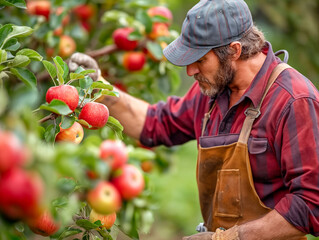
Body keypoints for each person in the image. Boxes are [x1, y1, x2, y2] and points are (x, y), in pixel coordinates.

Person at [69, 0, 319, 239]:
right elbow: (157, 123)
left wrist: (227, 239)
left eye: (200, 60)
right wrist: (100, 87)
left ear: (234, 50)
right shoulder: (214, 92)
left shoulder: (293, 101)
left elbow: (311, 205)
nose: (190, 71)